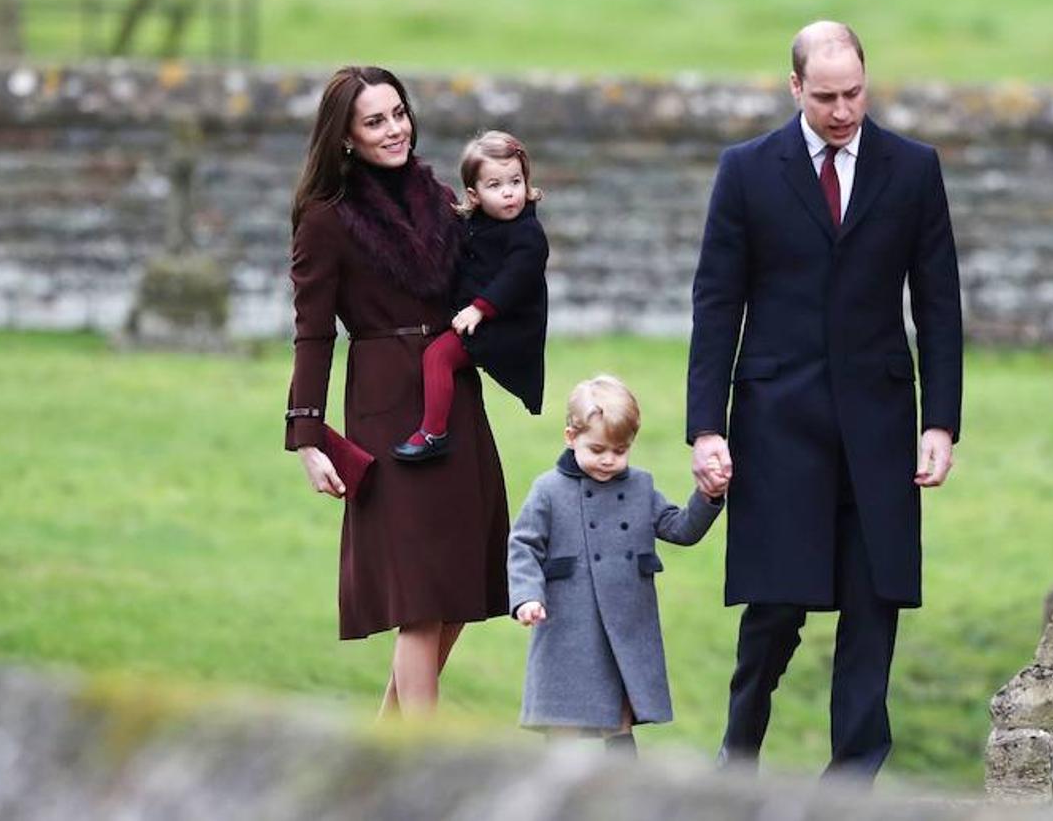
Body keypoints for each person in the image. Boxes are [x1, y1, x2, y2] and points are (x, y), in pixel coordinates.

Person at [686, 21, 963, 777]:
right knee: (773, 610)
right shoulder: (746, 170)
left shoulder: (911, 169)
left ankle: (852, 782)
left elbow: (937, 304)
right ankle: (734, 762)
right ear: (794, 88)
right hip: (777, 424)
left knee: (874, 605)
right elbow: (716, 303)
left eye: (854, 93)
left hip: (877, 426)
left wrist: (940, 421)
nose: (843, 111)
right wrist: (705, 427)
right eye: (826, 96)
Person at [285, 65, 510, 715]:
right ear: (346, 137)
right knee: (419, 600)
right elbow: (312, 334)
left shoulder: (439, 198)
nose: (393, 129)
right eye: (375, 120)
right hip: (386, 411)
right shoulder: (326, 220)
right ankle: (423, 775)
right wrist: (308, 438)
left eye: (398, 113)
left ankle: (381, 756)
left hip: (455, 402)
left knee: (459, 587)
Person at [507, 375, 724, 754]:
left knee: (618, 721)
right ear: (570, 437)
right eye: (597, 448)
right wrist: (526, 596)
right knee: (563, 723)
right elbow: (523, 546)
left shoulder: (640, 486)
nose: (609, 459)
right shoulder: (548, 490)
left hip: (625, 628)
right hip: (568, 625)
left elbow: (679, 529)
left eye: (620, 450)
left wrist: (707, 497)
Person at [392, 130, 550, 462]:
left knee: (438, 357)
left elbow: (515, 279)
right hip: (479, 317)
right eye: (495, 185)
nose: (509, 193)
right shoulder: (474, 224)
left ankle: (434, 433)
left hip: (507, 327)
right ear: (473, 194)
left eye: (516, 181)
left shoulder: (529, 234)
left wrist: (479, 310)